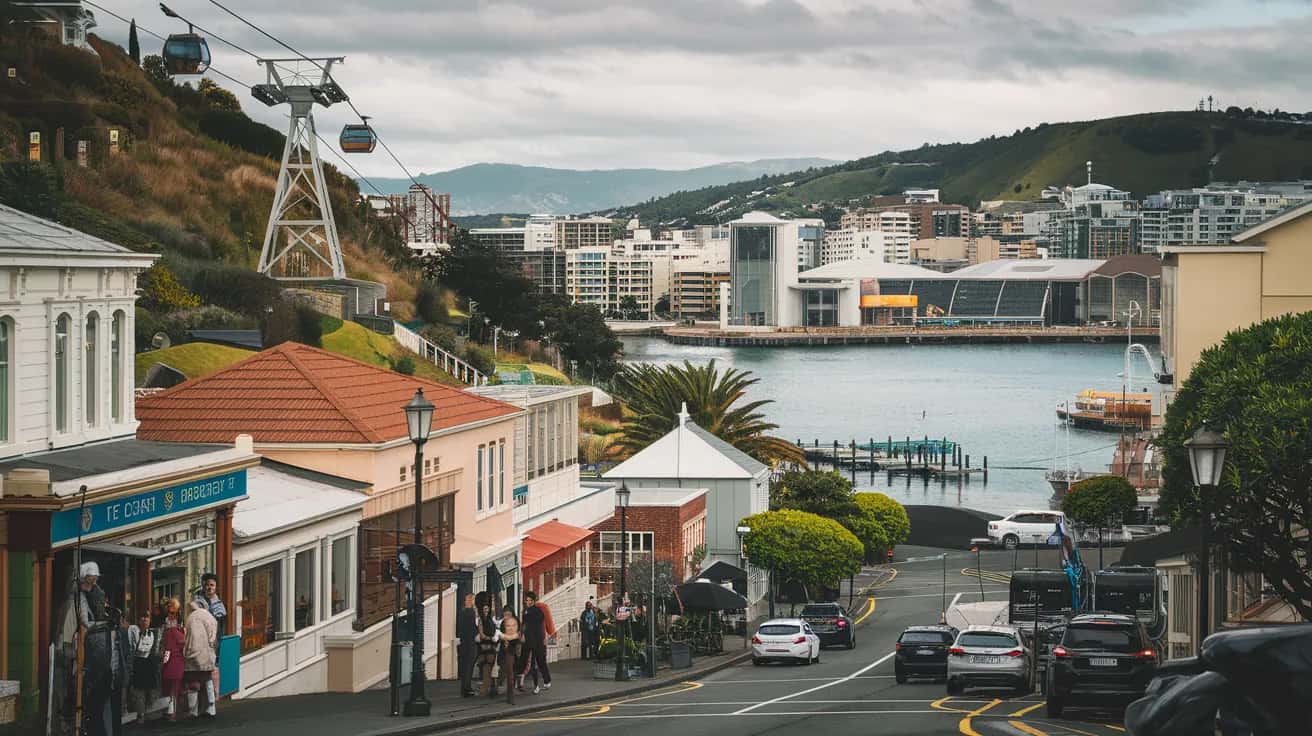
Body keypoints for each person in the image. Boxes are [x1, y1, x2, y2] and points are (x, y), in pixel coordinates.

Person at [182, 600, 218, 719]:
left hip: (191, 654)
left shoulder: (190, 618)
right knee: (207, 680)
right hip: (206, 654)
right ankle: (210, 708)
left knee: (193, 682)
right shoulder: (210, 617)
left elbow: (186, 636)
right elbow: (212, 638)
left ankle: (193, 710)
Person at [128, 612, 162, 725]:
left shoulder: (153, 633)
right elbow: (133, 649)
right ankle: (141, 714)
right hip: (138, 664)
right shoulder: (134, 631)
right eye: (142, 618)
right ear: (139, 620)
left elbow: (155, 649)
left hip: (149, 664)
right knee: (139, 691)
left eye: (146, 618)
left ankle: (147, 712)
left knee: (149, 690)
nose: (144, 620)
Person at [520, 592, 555, 691]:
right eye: (527, 600)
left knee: (541, 661)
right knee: (531, 663)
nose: (528, 602)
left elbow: (541, 625)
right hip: (529, 639)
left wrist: (544, 637)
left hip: (538, 639)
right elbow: (524, 625)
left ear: (534, 601)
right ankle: (536, 685)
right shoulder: (525, 611)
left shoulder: (539, 610)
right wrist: (523, 635)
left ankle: (546, 681)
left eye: (530, 600)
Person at [159, 599, 185, 721]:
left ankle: (173, 712)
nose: (170, 616)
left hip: (177, 659)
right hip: (167, 659)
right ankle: (168, 711)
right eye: (168, 613)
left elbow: (183, 643)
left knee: (175, 686)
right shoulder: (164, 627)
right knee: (167, 686)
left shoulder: (179, 628)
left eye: (173, 613)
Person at [497, 614, 525, 705]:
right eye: (508, 625)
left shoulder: (517, 634)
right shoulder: (502, 634)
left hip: (514, 655)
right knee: (508, 674)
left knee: (511, 675)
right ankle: (510, 696)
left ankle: (509, 695)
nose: (511, 627)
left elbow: (518, 639)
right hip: (505, 655)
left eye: (513, 625)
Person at [474, 603, 500, 698]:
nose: (486, 610)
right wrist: (491, 638)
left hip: (490, 646)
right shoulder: (481, 620)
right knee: (486, 667)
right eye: (484, 609)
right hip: (485, 646)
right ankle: (485, 689)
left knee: (490, 668)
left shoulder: (490, 620)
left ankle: (488, 689)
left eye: (487, 608)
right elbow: (482, 635)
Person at [456, 593, 478, 697]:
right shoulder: (470, 613)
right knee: (469, 666)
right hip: (470, 643)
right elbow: (472, 628)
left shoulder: (462, 612)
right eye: (473, 600)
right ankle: (466, 688)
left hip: (464, 642)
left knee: (465, 666)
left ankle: (465, 688)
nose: (474, 602)